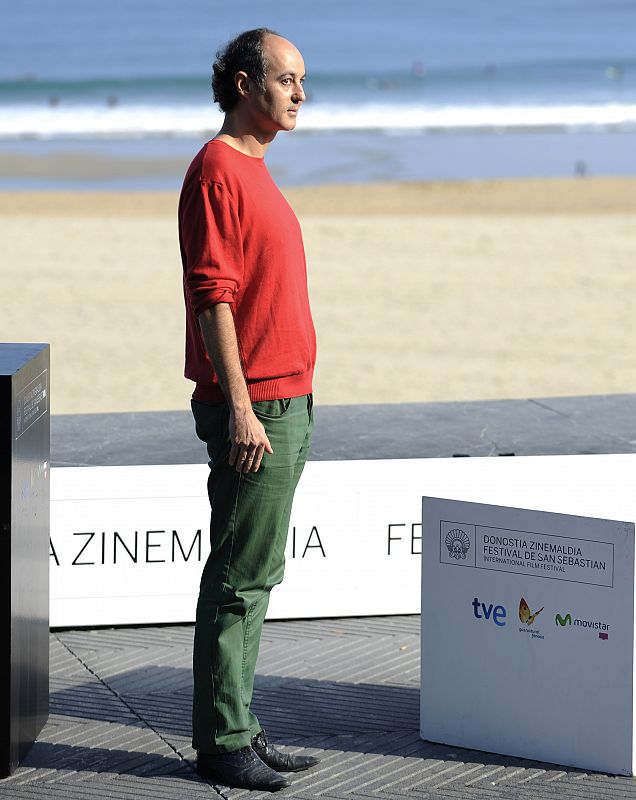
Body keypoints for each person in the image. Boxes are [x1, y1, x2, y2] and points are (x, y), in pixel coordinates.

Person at [178, 28, 319, 792]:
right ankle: (222, 741)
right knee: (237, 578)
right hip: (256, 405)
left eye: (302, 81)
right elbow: (213, 297)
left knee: (258, 573)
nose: (300, 93)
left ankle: (239, 724)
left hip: (287, 398)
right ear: (243, 83)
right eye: (287, 79)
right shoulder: (217, 169)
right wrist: (240, 406)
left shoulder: (256, 170)